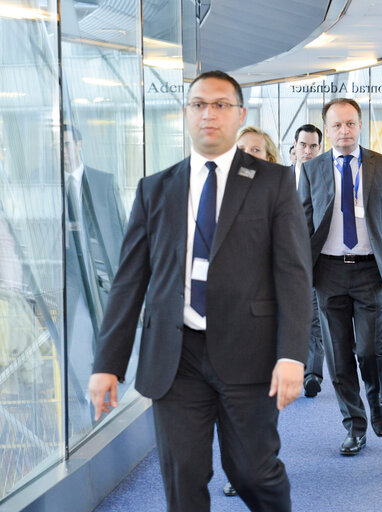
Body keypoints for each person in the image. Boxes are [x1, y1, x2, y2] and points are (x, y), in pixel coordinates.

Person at [88, 70, 312, 512]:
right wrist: (107, 363)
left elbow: (293, 274)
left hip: (250, 353)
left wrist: (292, 355)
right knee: (182, 481)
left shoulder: (273, 182)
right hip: (176, 357)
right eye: (199, 104)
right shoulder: (156, 188)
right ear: (187, 113)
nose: (209, 113)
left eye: (220, 105)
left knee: (252, 472)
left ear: (240, 114)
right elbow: (130, 280)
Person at [298, 98, 382, 455]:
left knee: (370, 350)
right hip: (328, 273)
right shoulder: (312, 170)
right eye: (337, 125)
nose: (344, 131)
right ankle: (355, 425)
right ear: (327, 130)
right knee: (339, 357)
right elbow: (303, 225)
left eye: (350, 124)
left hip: (371, 271)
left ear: (360, 126)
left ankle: (376, 398)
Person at [62, 123, 125, 436]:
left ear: (80, 145)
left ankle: (101, 384)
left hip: (100, 270)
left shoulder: (102, 181)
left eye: (68, 145)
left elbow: (118, 225)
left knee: (101, 329)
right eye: (59, 146)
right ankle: (73, 388)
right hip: (67, 269)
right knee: (67, 330)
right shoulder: (46, 182)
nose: (64, 152)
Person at [292, 124, 325, 397]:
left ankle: (312, 374)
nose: (308, 150)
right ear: (294, 146)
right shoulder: (278, 178)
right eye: (303, 145)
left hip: (314, 262)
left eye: (313, 146)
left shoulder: (326, 178)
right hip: (281, 263)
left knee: (315, 319)